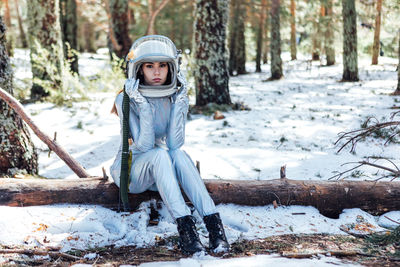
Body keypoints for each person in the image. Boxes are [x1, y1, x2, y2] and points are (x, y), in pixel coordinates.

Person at [110, 35, 229, 255]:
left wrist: (180, 101)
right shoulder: (125, 98)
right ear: (138, 69)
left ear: (171, 68)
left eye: (162, 65)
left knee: (178, 154)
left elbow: (175, 143)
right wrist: (142, 105)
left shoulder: (171, 95)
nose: (156, 72)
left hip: (160, 170)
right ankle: (187, 231)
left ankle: (215, 228)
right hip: (132, 172)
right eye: (149, 66)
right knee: (159, 154)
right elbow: (144, 146)